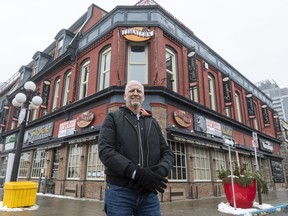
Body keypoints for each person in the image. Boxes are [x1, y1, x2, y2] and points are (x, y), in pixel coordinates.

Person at [99, 80, 175, 216]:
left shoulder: (152, 122)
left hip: (149, 193)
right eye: (131, 91)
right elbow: (105, 151)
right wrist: (137, 173)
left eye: (139, 91)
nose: (135, 94)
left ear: (143, 96)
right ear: (124, 96)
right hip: (119, 192)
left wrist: (159, 172)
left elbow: (167, 152)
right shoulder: (112, 118)